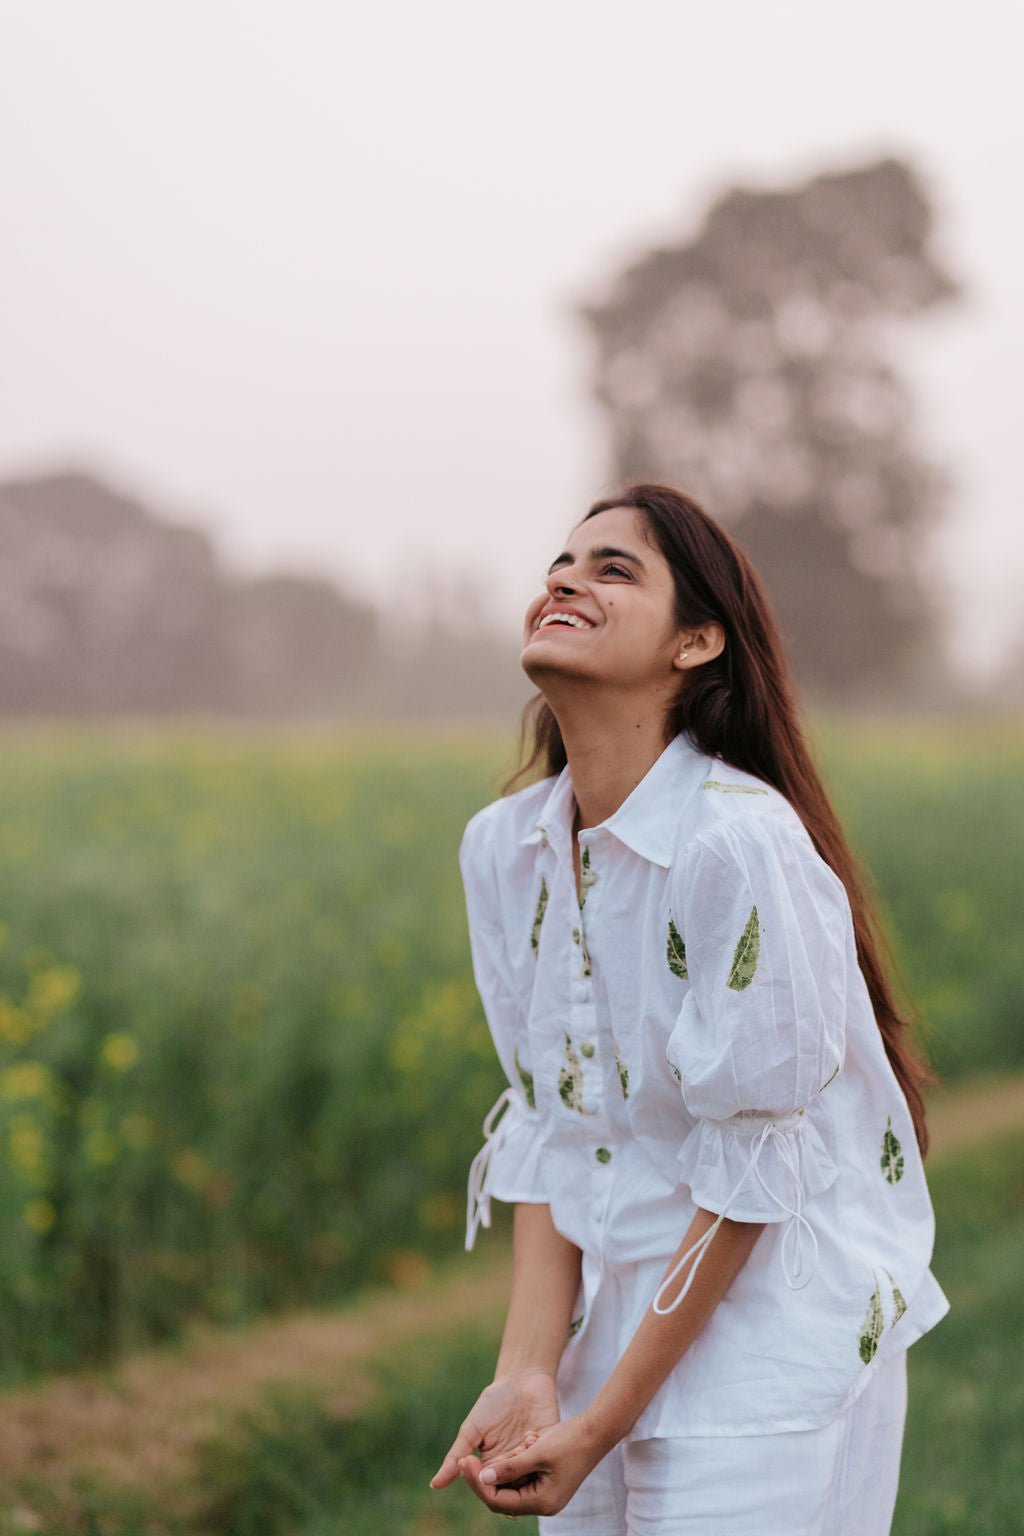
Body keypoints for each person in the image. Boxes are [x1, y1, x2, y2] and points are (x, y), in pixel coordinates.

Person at [430, 484, 948, 1534]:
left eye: (614, 568)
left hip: (771, 1354)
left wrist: (605, 1418)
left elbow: (754, 1171)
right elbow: (552, 1128)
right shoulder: (505, 850)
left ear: (698, 641)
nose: (565, 580)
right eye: (559, 566)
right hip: (602, 1340)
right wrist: (532, 1374)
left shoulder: (737, 844)